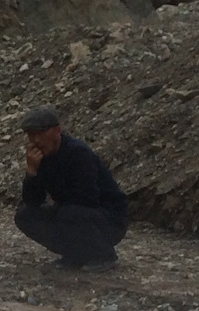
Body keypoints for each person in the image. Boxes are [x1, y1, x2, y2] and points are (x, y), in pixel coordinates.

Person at [14, 107, 128, 270]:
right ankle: (75, 255)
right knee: (25, 215)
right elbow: (33, 201)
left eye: (41, 133)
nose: (36, 140)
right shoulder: (41, 157)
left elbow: (87, 198)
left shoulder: (77, 153)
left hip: (109, 219)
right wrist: (32, 172)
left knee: (69, 213)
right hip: (73, 212)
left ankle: (103, 255)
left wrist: (58, 209)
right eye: (32, 135)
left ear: (57, 131)